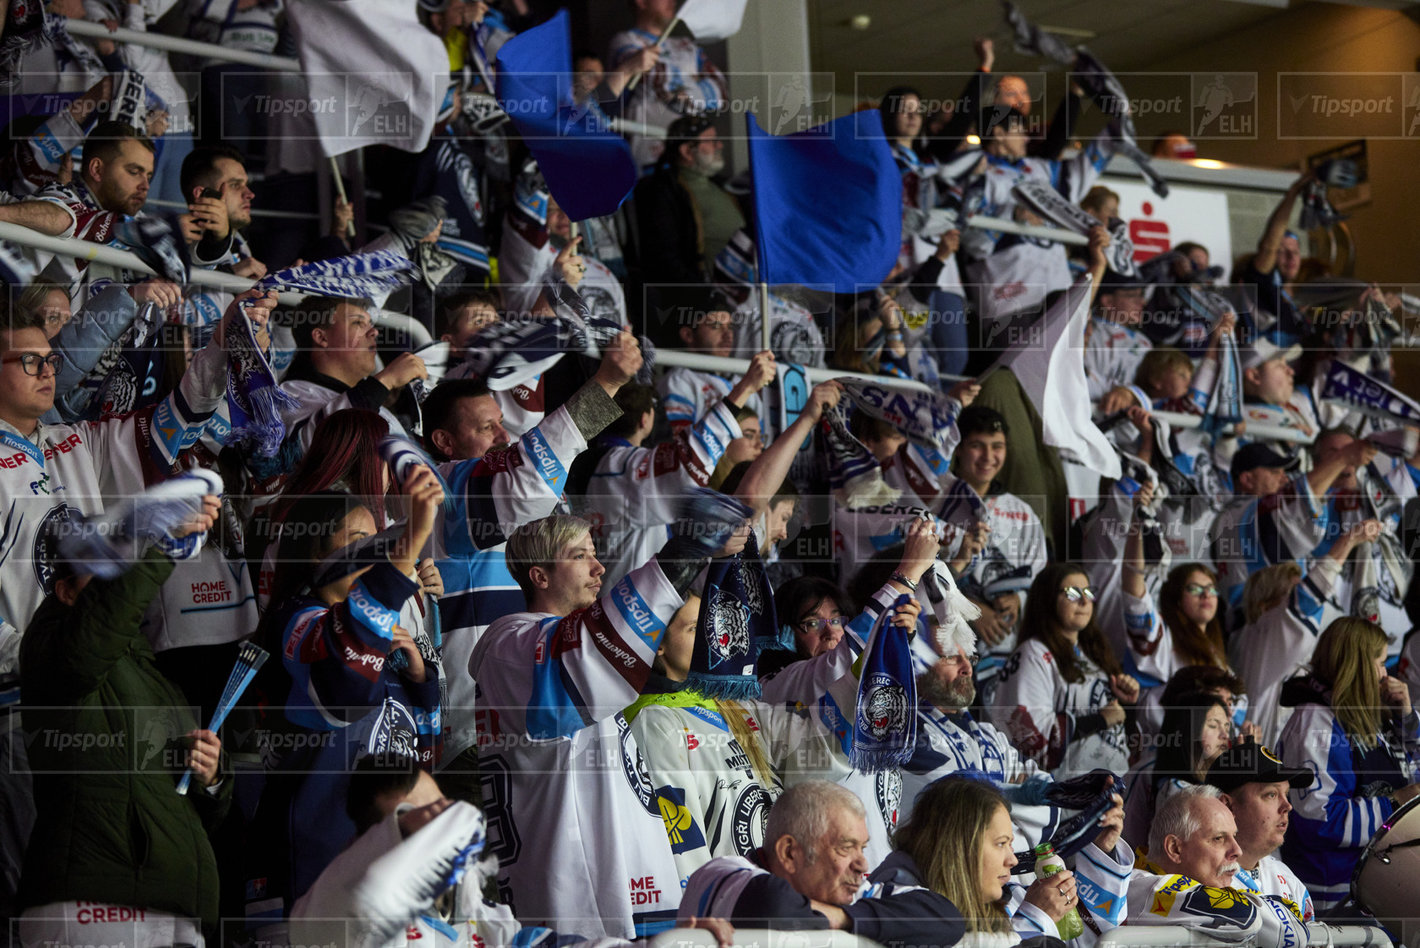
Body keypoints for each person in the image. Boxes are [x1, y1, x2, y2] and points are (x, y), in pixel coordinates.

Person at [469, 508, 747, 937]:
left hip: (614, 873)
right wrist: (685, 549)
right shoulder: (512, 645)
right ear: (539, 576)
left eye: (596, 554)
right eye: (580, 556)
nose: (599, 567)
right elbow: (587, 653)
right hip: (573, 884)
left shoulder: (554, 641)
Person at [16, 487, 227, 947]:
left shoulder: (157, 680)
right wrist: (163, 547)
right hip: (96, 906)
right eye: (105, 570)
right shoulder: (53, 648)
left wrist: (211, 779)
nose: (122, 579)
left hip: (176, 911)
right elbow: (99, 626)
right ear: (67, 591)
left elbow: (182, 814)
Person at [250, 467, 446, 913]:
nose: (374, 551)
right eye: (357, 538)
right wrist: (408, 545)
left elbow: (424, 759)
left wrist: (421, 685)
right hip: (314, 870)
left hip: (390, 874)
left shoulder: (390, 645)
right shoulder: (296, 619)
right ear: (314, 553)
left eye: (378, 538)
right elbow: (341, 685)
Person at [678, 780, 967, 948]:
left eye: (862, 848)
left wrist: (845, 918)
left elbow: (947, 918)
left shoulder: (843, 895)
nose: (862, 863)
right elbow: (772, 906)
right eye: (846, 847)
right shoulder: (721, 873)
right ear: (790, 853)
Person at [572, 350, 772, 584]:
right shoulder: (617, 466)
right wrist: (745, 387)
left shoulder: (593, 460)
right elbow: (684, 467)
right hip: (623, 605)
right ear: (646, 420)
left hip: (620, 601)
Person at [1275, 617, 1420, 912]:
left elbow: (1412, 778)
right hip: (1333, 902)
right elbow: (1319, 821)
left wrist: (1408, 723)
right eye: (1380, 663)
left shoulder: (1371, 713)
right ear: (1358, 666)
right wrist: (1396, 805)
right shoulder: (1315, 723)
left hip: (1379, 889)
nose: (1386, 674)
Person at [891, 775, 1131, 943]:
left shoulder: (1013, 897)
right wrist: (1035, 919)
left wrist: (1103, 848)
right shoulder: (906, 905)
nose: (1013, 860)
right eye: (1000, 844)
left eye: (1010, 844)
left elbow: (1092, 941)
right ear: (958, 846)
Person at [1230, 520, 1382, 746]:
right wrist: (1348, 540)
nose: (1301, 601)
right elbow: (1310, 596)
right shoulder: (1267, 632)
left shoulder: (1250, 637)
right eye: (1290, 594)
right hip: (1267, 760)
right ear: (1264, 605)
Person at [935, 405, 1047, 700]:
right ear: (958, 448)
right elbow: (917, 574)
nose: (988, 457)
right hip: (944, 655)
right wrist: (970, 608)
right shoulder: (935, 504)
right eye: (977, 446)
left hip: (1008, 654)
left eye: (997, 447)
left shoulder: (1022, 513)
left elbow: (1041, 578)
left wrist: (1020, 599)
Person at [989, 563, 1139, 778]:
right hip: (1065, 796)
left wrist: (1127, 703)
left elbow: (1120, 730)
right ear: (1048, 599)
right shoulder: (1033, 653)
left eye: (1088, 592)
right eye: (1072, 593)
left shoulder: (1094, 655)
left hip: (1111, 786)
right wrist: (1101, 719)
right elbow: (1030, 737)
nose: (1085, 601)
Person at [1127, 784, 1311, 947]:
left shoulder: (1214, 886)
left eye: (1234, 836)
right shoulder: (1142, 886)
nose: (1237, 850)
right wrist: (1278, 913)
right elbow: (1245, 919)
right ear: (1175, 849)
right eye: (1218, 839)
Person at [1204, 740, 1316, 921]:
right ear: (1227, 807)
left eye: (1286, 794)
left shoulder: (1288, 881)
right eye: (1271, 794)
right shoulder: (1198, 880)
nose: (1287, 806)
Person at [608, 2, 728, 169]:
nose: (672, 1)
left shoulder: (687, 46)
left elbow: (720, 89)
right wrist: (694, 82)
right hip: (650, 158)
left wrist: (680, 89)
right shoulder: (626, 40)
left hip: (690, 160)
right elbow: (657, 80)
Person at [634, 116, 741, 287]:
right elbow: (666, 259)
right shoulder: (663, 192)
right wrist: (703, 292)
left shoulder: (721, 184)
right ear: (687, 151)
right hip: (711, 292)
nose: (719, 145)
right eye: (711, 141)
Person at [1122, 692, 1232, 851]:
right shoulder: (1177, 791)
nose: (1224, 735)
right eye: (1213, 726)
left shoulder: (1211, 784)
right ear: (1188, 730)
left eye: (1226, 726)